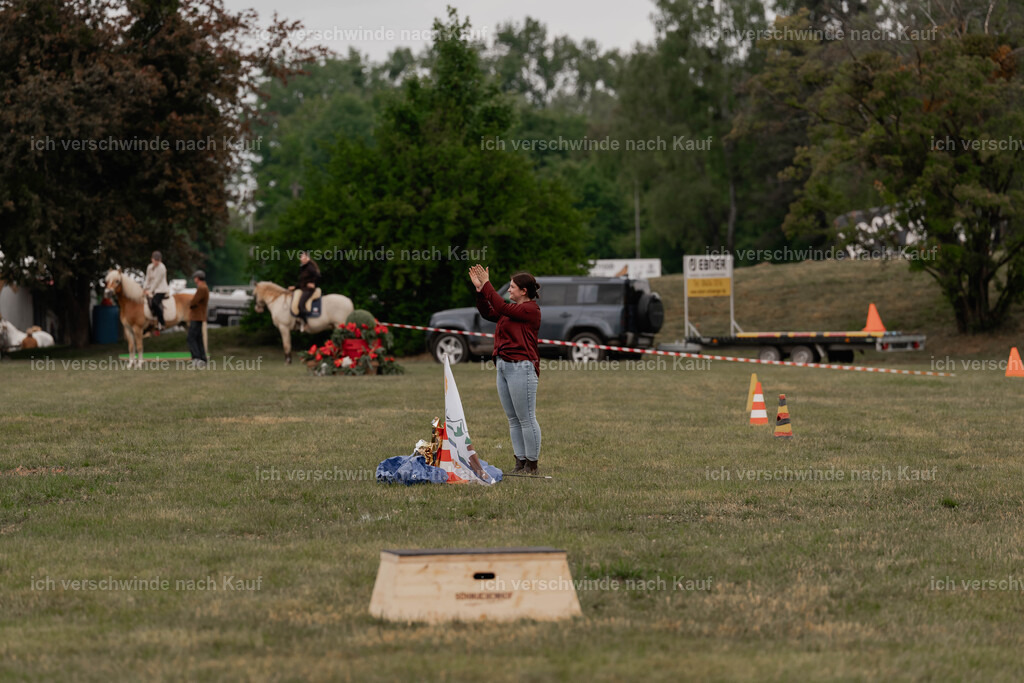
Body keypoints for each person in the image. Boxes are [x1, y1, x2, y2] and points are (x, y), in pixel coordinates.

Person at [469, 264, 543, 475]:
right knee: (513, 418)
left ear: (524, 291)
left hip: (522, 367)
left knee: (526, 417)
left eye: (512, 287)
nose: (509, 290)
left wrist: (487, 284)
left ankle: (532, 464)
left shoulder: (530, 309)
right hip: (503, 366)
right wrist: (480, 291)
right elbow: (487, 312)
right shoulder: (510, 311)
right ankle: (519, 462)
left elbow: (500, 307)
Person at [288, 251, 321, 331]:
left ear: (308, 258)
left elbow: (318, 276)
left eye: (303, 257)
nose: (301, 258)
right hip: (303, 289)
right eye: (301, 257)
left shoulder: (310, 267)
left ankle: (306, 323)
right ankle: (299, 320)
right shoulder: (303, 268)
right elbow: (302, 282)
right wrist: (295, 287)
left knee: (300, 305)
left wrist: (314, 284)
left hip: (309, 290)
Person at [143, 251, 170, 329]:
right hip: (151, 289)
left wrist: (150, 291)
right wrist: (144, 288)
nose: (156, 262)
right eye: (155, 260)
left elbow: (156, 282)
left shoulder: (162, 268)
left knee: (155, 303)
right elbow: (147, 279)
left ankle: (162, 322)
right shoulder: (149, 267)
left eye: (158, 261)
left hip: (161, 289)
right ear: (152, 259)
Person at [187, 270, 209, 366]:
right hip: (200, 316)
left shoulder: (201, 288)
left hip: (197, 316)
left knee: (191, 338)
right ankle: (203, 358)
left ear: (198, 278)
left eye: (195, 277)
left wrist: (190, 303)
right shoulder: (205, 287)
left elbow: (194, 301)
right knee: (198, 338)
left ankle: (196, 358)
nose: (194, 279)